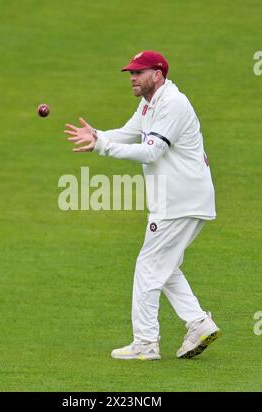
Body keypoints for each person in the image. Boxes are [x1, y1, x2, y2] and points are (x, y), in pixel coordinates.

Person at [64, 50, 220, 360]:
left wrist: (103, 146)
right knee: (165, 265)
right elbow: (127, 133)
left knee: (148, 266)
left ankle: (146, 342)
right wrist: (97, 135)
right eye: (131, 73)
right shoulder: (149, 103)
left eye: (139, 72)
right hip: (181, 198)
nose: (132, 78)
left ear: (158, 74)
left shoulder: (173, 103)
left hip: (179, 201)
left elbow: (151, 152)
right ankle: (198, 322)